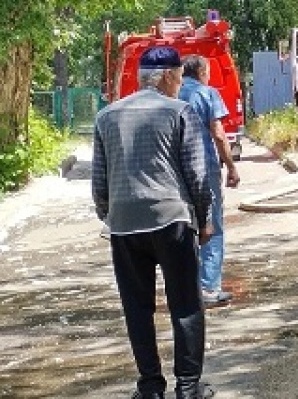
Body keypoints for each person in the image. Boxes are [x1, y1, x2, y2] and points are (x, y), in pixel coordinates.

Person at [92, 46, 215, 399]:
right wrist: (204, 219)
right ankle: (188, 388)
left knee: (136, 306)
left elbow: (100, 183)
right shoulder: (180, 112)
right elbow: (196, 173)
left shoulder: (107, 117)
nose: (179, 85)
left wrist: (109, 216)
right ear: (165, 77)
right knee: (187, 304)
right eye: (177, 78)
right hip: (172, 221)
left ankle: (150, 387)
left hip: (125, 225)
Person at [179, 55, 240, 307]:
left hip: (176, 172)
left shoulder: (171, 94)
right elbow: (218, 133)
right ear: (202, 72)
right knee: (211, 226)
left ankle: (185, 289)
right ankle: (208, 289)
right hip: (204, 170)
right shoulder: (207, 94)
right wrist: (231, 167)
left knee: (183, 228)